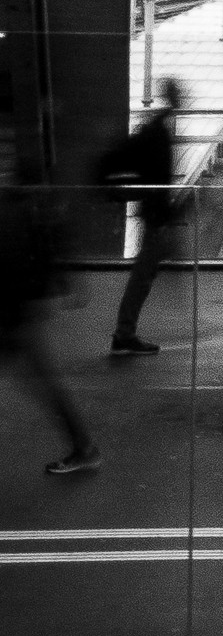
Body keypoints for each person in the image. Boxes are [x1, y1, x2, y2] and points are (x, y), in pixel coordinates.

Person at [0, 173, 97, 477]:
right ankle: (84, 448)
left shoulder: (15, 202)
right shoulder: (26, 199)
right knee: (45, 380)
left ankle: (84, 448)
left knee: (45, 379)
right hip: (20, 304)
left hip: (14, 307)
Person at [98, 78, 182, 355]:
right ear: (171, 96)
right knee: (142, 276)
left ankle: (125, 332)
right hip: (155, 214)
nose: (182, 97)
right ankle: (124, 333)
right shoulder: (158, 130)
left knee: (144, 275)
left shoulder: (159, 126)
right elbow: (157, 177)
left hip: (155, 212)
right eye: (178, 92)